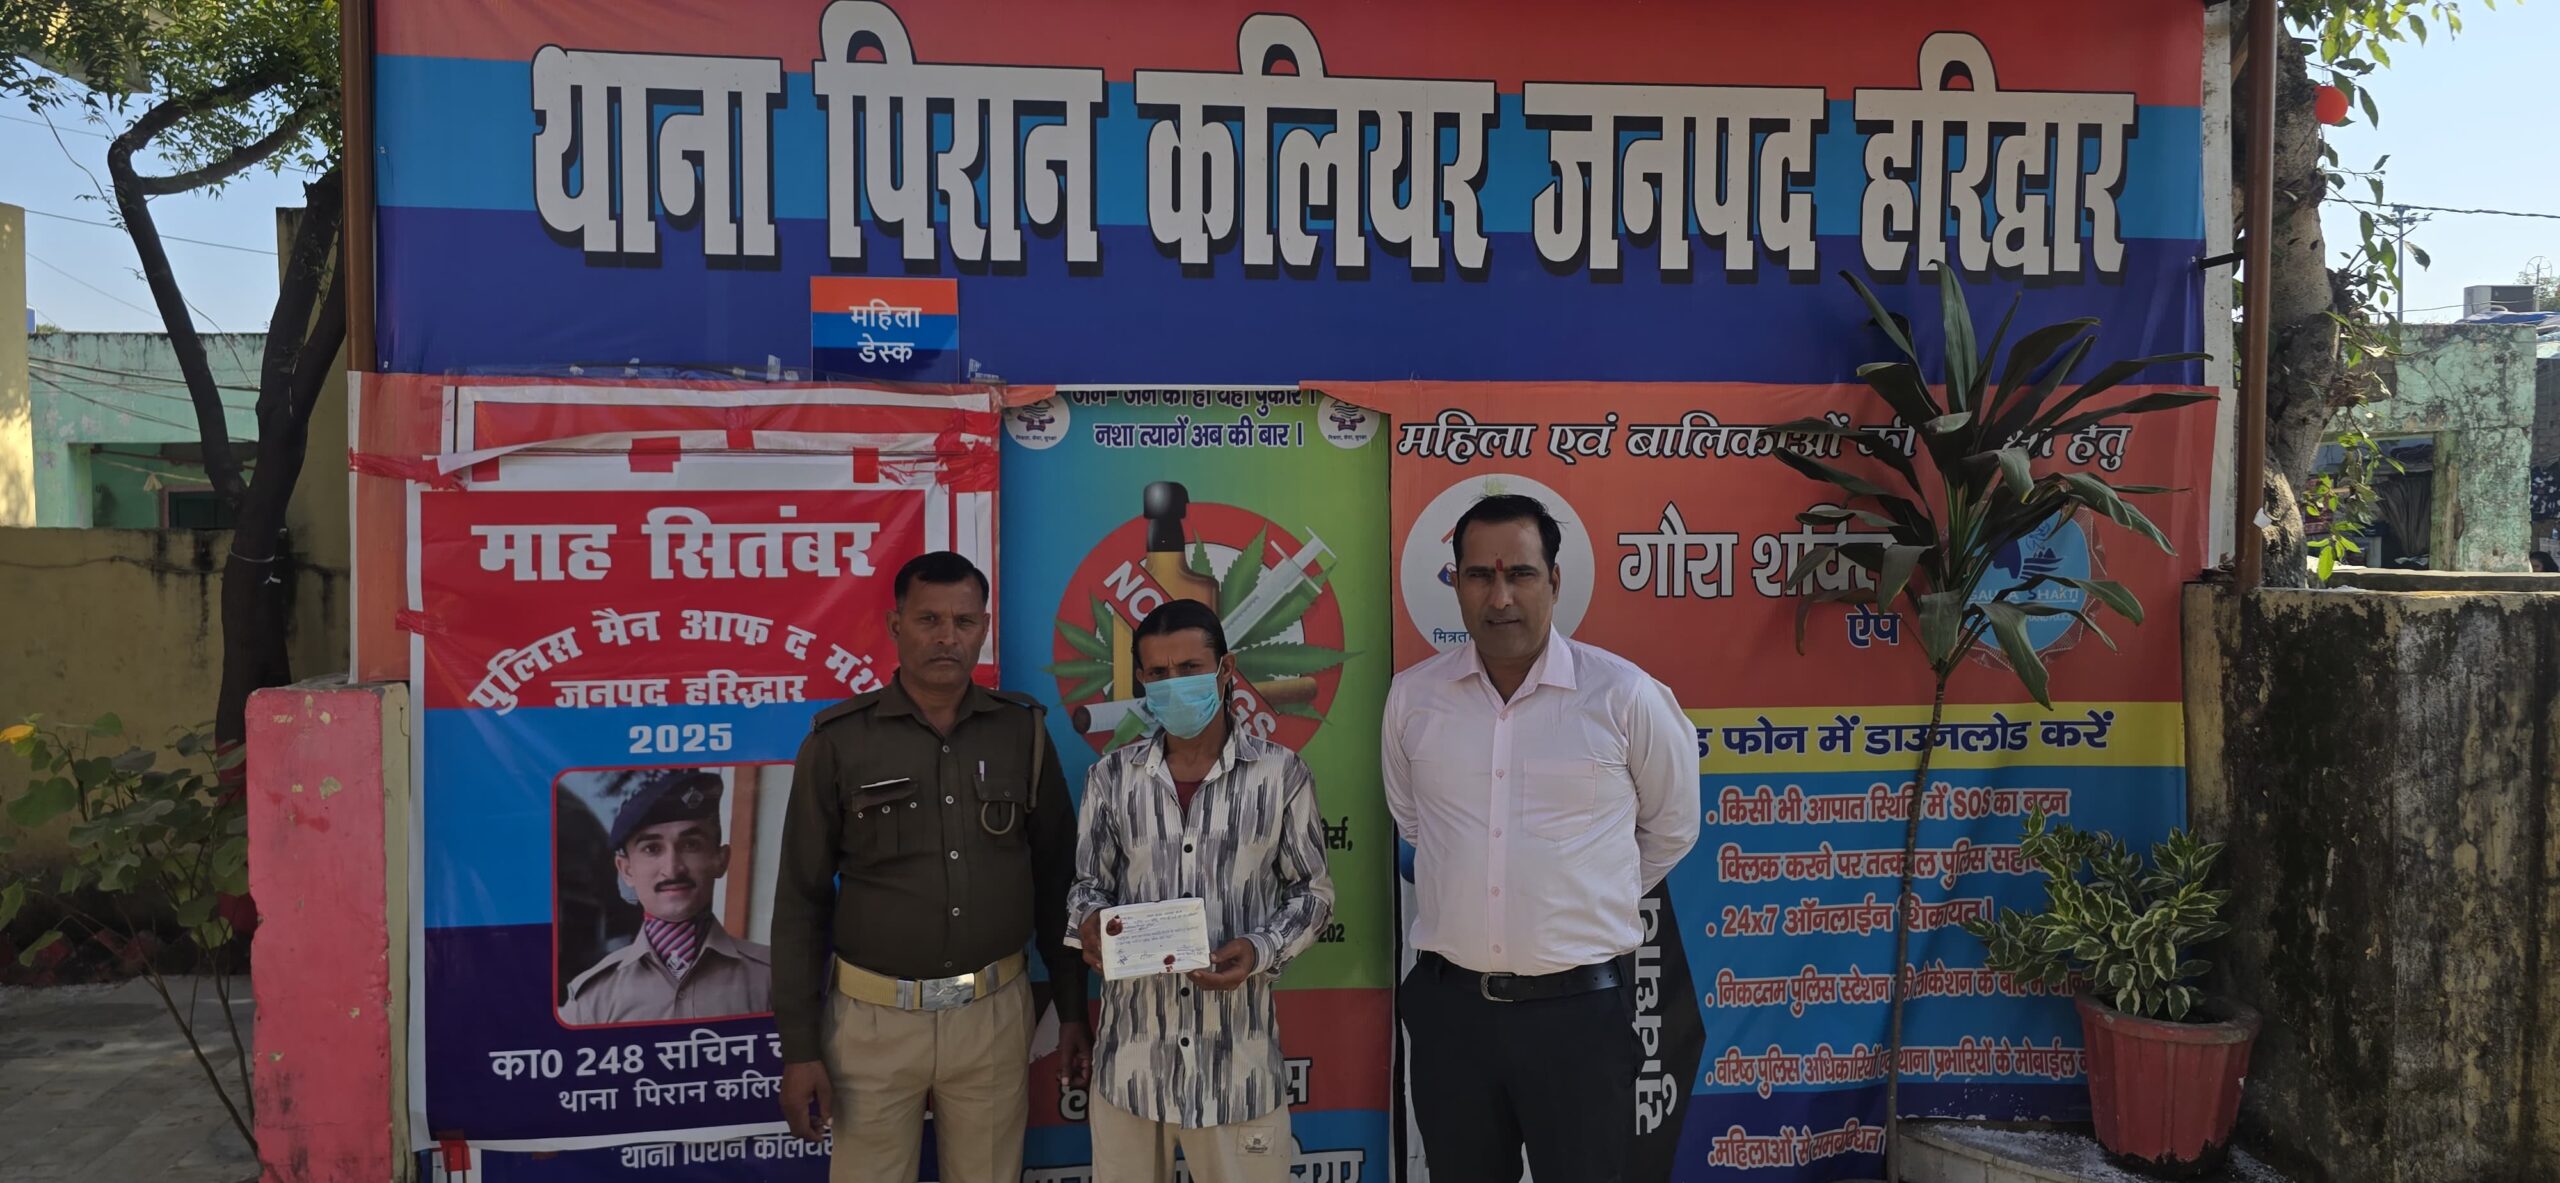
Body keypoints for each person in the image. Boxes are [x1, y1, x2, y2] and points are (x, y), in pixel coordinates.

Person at [1382, 493, 1701, 1183]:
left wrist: (1583, 894)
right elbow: (1415, 823)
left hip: (1578, 1018)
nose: (1500, 597)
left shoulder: (1624, 696)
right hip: (1452, 1018)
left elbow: (1672, 827)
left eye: (1520, 574)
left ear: (1554, 580)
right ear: (1456, 581)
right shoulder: (1412, 699)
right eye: (1479, 575)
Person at [771, 551, 1088, 1183]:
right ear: (896, 626)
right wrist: (800, 1049)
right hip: (872, 1024)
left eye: (964, 621)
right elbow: (801, 902)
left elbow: (1058, 880)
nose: (947, 637)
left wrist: (1073, 1009)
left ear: (984, 627)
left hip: (992, 1016)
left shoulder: (1021, 732)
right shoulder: (838, 742)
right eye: (928, 620)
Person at [1067, 599, 1334, 1183]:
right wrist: (1089, 924)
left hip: (1236, 1070)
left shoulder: (1281, 775)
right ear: (1142, 680)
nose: (1174, 684)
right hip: (1132, 1067)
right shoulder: (1110, 778)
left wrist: (1260, 949)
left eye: (1190, 668)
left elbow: (1313, 894)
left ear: (1225, 669)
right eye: (1158, 673)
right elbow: (1087, 886)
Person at [561, 769, 774, 1025]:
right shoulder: (593, 999)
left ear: (720, 860)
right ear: (626, 870)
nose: (672, 869)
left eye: (691, 845)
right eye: (652, 849)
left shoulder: (773, 979)